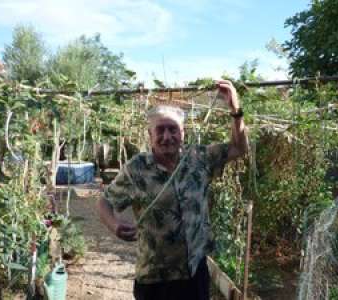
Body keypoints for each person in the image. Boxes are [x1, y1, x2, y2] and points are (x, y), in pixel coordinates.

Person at [97, 80, 248, 300]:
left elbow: (239, 147)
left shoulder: (200, 159)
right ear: (150, 135)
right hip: (155, 279)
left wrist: (235, 109)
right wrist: (114, 225)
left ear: (182, 133)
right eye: (160, 130)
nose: (167, 136)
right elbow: (104, 202)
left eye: (173, 129)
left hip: (194, 273)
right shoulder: (136, 169)